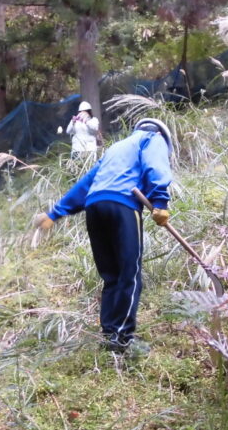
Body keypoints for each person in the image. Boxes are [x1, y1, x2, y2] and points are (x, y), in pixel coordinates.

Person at [36, 118, 174, 354]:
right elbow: (156, 165)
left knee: (111, 276)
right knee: (129, 274)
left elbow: (86, 183)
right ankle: (122, 339)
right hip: (122, 205)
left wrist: (56, 213)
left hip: (95, 208)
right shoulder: (153, 138)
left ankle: (109, 334)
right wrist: (160, 201)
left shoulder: (116, 148)